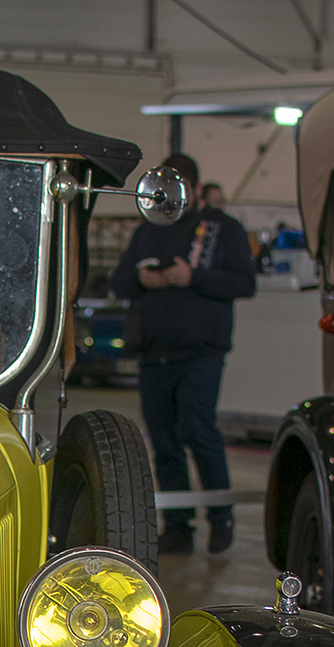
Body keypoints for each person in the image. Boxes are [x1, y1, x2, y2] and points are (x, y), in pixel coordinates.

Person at [109, 154, 256, 554]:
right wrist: (142, 279)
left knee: (199, 431)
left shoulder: (223, 229)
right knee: (165, 442)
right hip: (155, 355)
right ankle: (178, 526)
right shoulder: (148, 231)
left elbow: (245, 282)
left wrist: (194, 278)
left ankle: (220, 517)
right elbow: (119, 280)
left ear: (192, 189)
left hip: (200, 353)